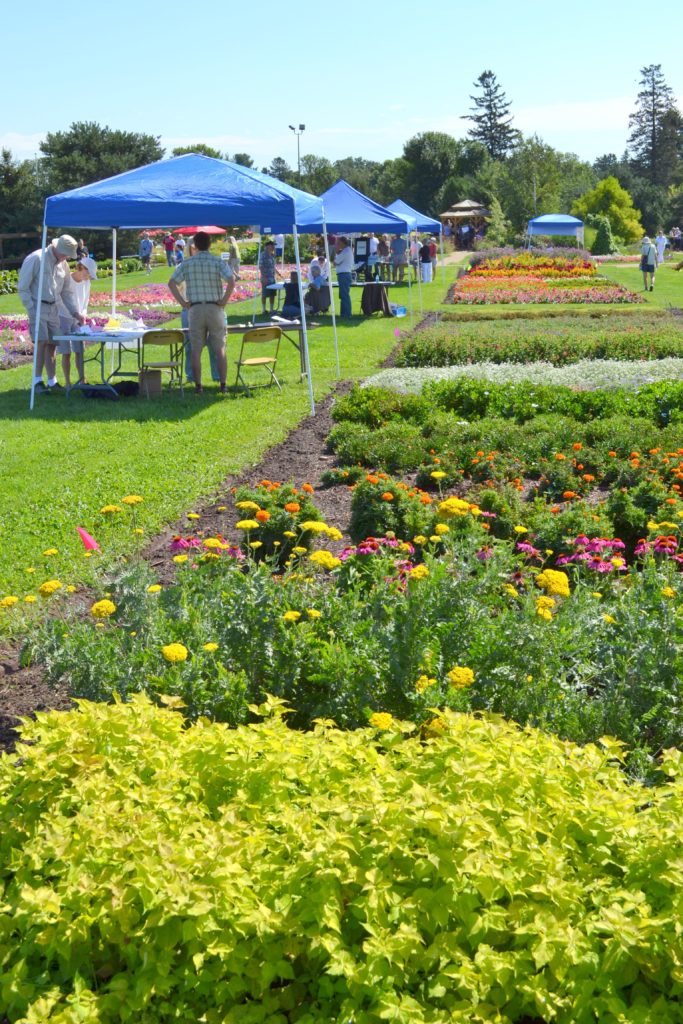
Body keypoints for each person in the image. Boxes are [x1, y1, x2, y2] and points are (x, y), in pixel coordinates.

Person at [168, 230, 234, 393]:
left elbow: (171, 283)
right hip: (214, 307)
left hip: (195, 308)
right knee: (219, 348)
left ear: (194, 245)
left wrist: (183, 303)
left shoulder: (187, 263)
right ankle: (223, 384)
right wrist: (224, 300)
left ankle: (198, 385)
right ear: (210, 244)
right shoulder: (217, 261)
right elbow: (231, 281)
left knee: (196, 349)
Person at [18, 234, 85, 394]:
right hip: (38, 306)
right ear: (57, 249)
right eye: (66, 255)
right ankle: (37, 381)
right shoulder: (36, 258)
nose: (66, 258)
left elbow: (67, 292)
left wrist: (75, 312)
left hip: (54, 308)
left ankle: (52, 380)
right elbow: (23, 287)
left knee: (53, 344)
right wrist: (32, 309)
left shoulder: (63, 265)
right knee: (41, 342)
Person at [56, 256, 97, 390]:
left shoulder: (87, 283)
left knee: (80, 350)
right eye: (88, 273)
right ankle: (68, 382)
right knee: (66, 352)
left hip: (78, 319)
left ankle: (81, 379)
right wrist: (75, 313)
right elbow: (61, 301)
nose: (88, 276)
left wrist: (83, 314)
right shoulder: (67, 280)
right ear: (81, 268)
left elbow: (85, 301)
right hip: (63, 317)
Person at [258, 240, 283, 317]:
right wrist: (264, 277)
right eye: (272, 245)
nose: (273, 247)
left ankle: (271, 309)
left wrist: (278, 273)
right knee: (265, 294)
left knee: (272, 294)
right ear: (267, 246)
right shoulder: (263, 255)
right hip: (266, 277)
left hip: (272, 277)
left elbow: (273, 266)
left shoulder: (272, 255)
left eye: (274, 246)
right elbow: (261, 266)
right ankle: (263, 310)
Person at [335, 236, 354, 317]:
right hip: (344, 274)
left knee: (344, 295)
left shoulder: (345, 251)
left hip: (344, 275)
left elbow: (336, 261)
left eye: (338, 243)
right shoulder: (347, 250)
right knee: (343, 295)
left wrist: (336, 251)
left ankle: (347, 314)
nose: (337, 244)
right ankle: (344, 314)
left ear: (342, 243)